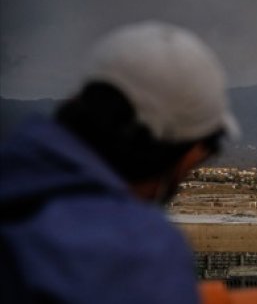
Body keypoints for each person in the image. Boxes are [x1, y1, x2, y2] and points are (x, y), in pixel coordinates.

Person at [0, 21, 238, 303]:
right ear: (186, 151)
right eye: (209, 147)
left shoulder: (14, 170)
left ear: (76, 99)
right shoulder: (135, 252)